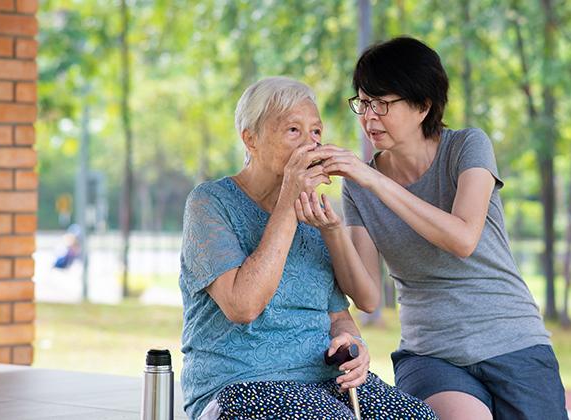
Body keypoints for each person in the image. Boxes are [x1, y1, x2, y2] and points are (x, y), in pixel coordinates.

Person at [311, 37, 569, 419]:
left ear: (423, 105)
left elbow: (462, 238)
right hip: (431, 355)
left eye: (382, 104)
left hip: (513, 341)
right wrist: (333, 228)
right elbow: (367, 298)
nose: (369, 117)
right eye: (363, 103)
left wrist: (375, 181)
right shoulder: (358, 187)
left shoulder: (466, 148)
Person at [178, 76, 436, 420]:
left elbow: (338, 316)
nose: (310, 144)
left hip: (324, 384)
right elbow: (243, 306)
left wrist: (352, 344)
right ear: (250, 139)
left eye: (315, 132)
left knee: (417, 416)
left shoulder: (314, 217)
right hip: (240, 386)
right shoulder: (210, 204)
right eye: (293, 131)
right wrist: (288, 201)